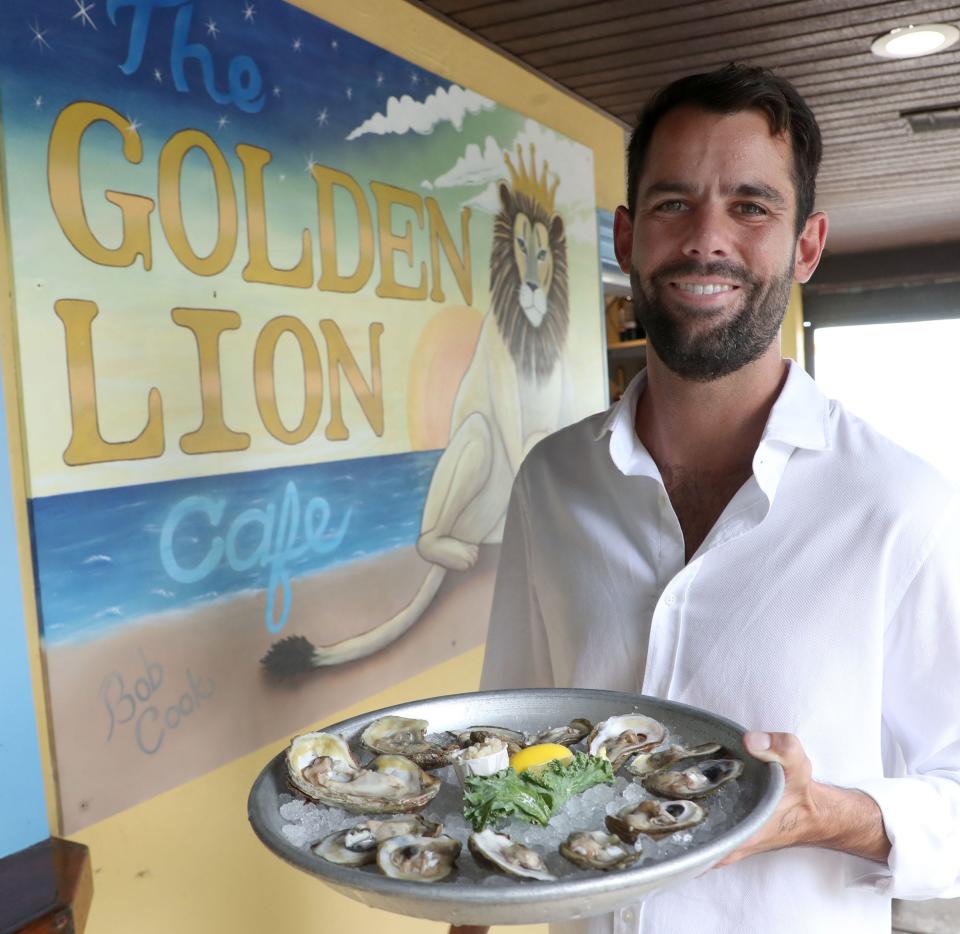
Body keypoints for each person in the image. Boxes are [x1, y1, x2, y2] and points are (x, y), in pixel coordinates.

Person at [449, 64, 960, 934]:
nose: (705, 240)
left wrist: (821, 812)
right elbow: (504, 744)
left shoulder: (900, 502)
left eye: (752, 207)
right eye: (673, 204)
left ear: (807, 245)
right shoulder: (551, 480)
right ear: (626, 236)